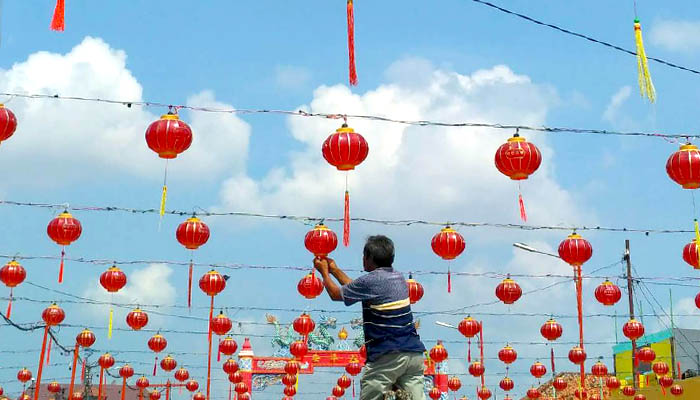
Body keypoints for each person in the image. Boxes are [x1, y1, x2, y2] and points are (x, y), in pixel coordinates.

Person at [313, 235, 426, 400]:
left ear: (369, 258)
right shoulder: (398, 277)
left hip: (387, 354)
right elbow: (358, 289)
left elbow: (336, 294)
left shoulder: (371, 281)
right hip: (413, 355)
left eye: (364, 256)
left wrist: (324, 273)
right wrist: (335, 270)